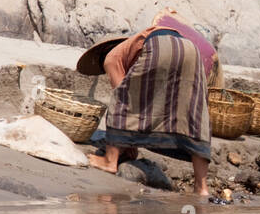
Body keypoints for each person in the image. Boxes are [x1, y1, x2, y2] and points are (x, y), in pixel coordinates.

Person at [76, 12, 216, 194]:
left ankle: (109, 162)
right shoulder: (134, 48)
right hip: (190, 48)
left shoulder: (111, 58)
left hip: (161, 45)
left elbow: (126, 102)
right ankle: (201, 187)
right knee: (193, 115)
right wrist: (130, 142)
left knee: (122, 99)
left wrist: (127, 141)